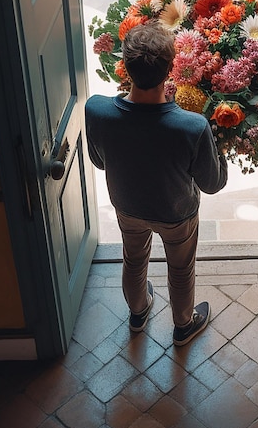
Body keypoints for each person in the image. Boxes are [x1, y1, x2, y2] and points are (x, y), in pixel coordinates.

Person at [85, 20, 228, 346]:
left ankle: (138, 313)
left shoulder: (97, 110)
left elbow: (98, 160)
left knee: (133, 260)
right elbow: (212, 183)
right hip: (177, 213)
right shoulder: (192, 126)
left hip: (128, 206)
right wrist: (222, 150)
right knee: (180, 270)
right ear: (171, 69)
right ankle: (182, 326)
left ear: (124, 66)